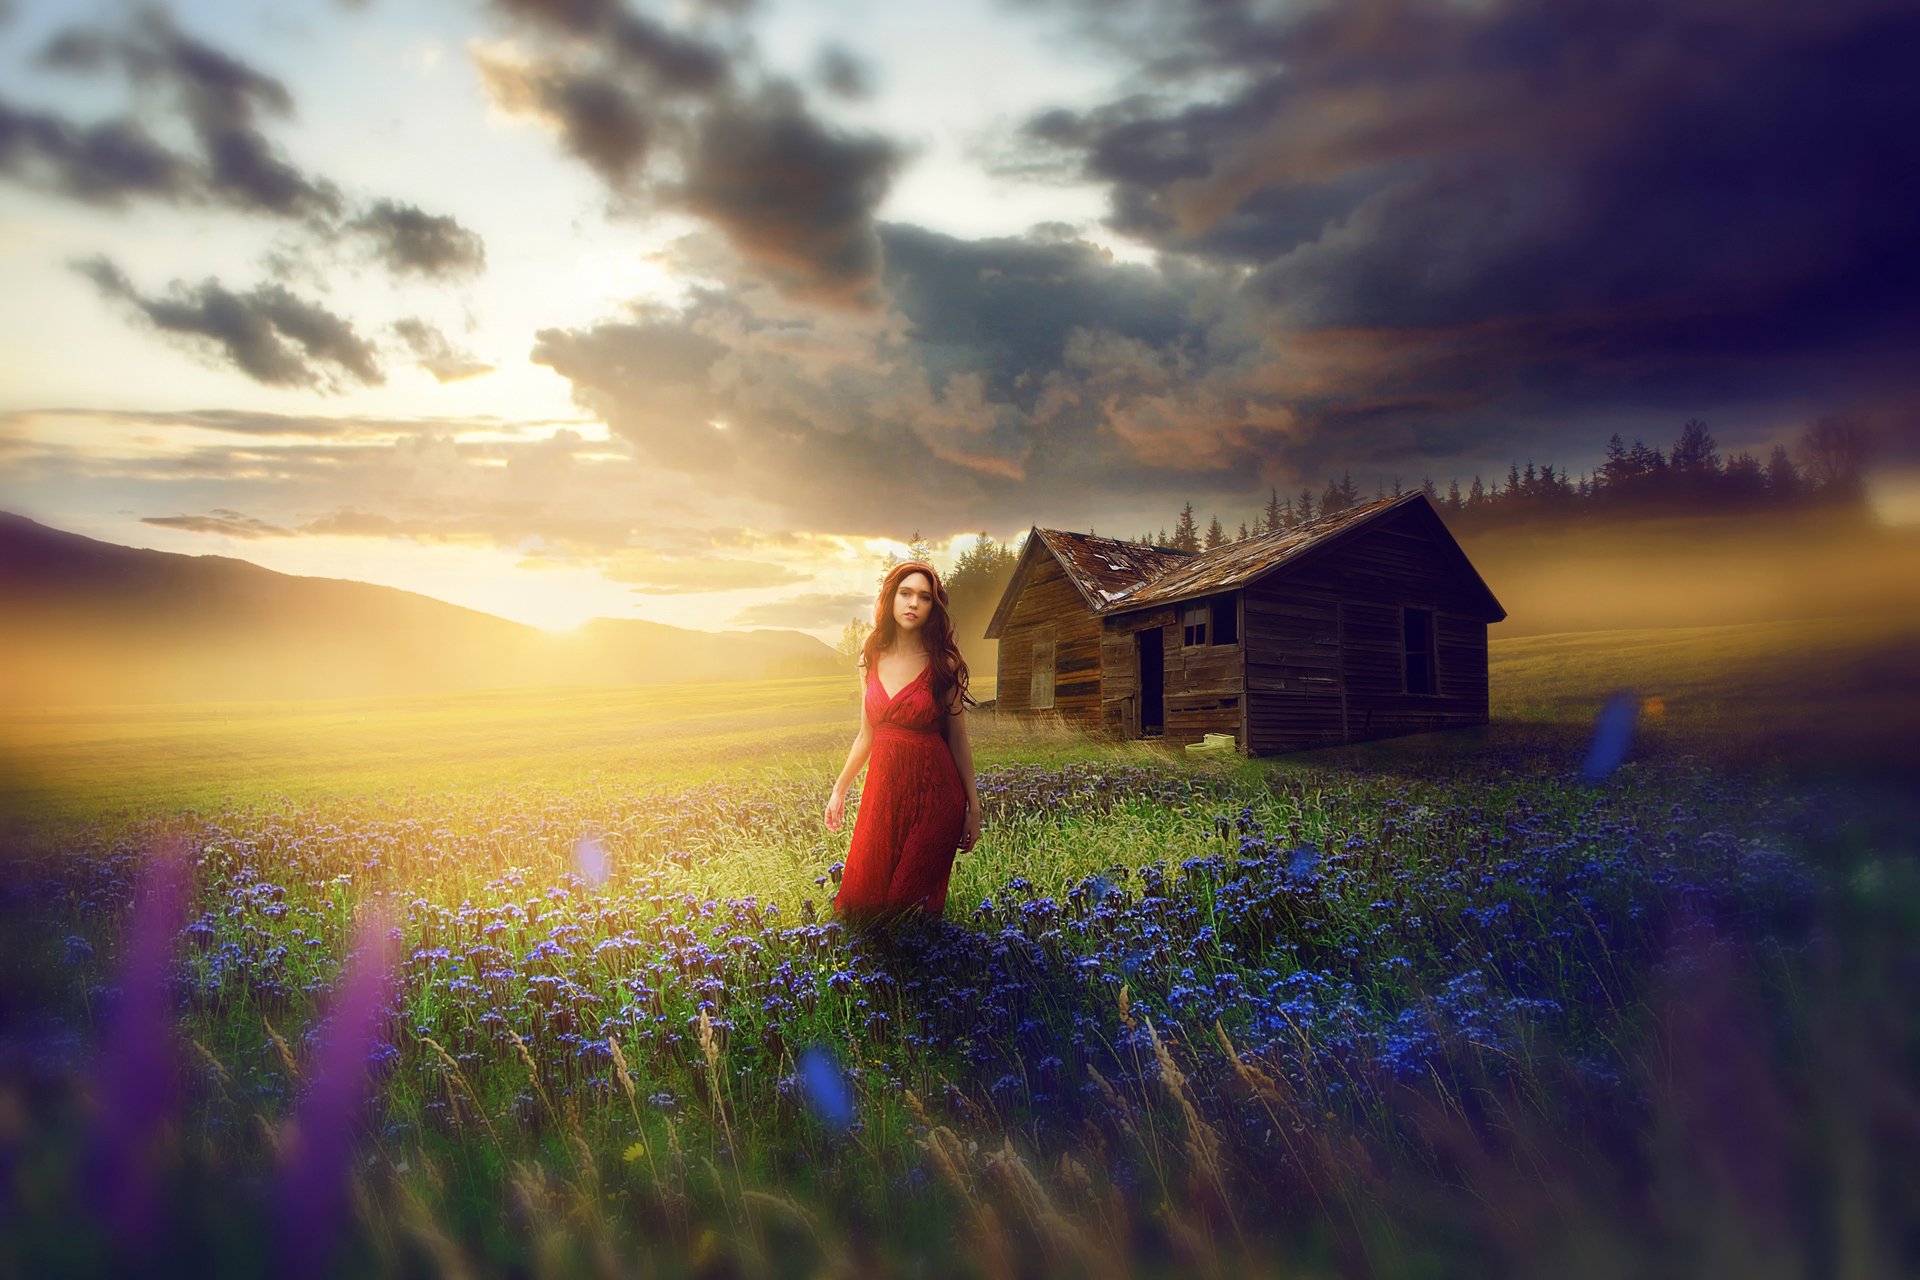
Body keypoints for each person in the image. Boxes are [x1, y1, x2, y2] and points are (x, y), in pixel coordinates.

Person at [823, 560, 983, 922]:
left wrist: (973, 808)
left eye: (924, 597)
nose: (913, 603)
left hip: (936, 795)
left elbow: (958, 739)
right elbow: (866, 735)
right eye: (905, 593)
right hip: (883, 794)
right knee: (864, 907)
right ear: (890, 599)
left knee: (907, 907)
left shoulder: (944, 664)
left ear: (933, 607)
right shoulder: (869, 660)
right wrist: (839, 789)